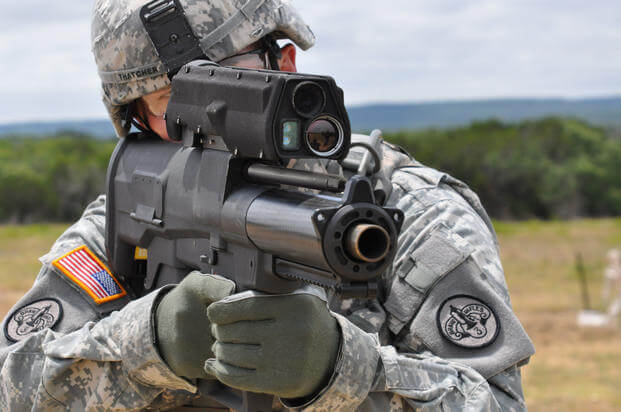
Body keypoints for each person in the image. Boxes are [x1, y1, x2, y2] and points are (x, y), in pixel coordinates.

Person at [0, 0, 535, 410]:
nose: (205, 120)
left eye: (232, 85)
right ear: (134, 116)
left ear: (287, 63)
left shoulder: (410, 212)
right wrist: (147, 342)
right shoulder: (138, 200)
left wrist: (342, 369)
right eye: (171, 104)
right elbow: (11, 384)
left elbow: (494, 401)